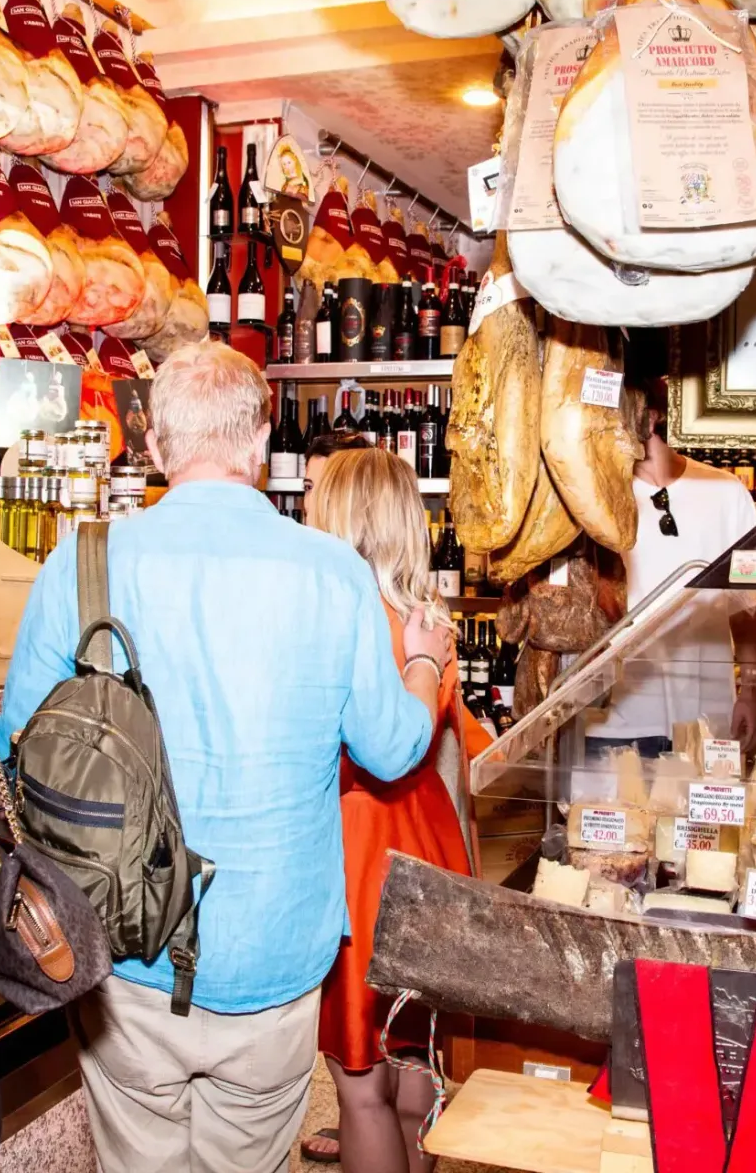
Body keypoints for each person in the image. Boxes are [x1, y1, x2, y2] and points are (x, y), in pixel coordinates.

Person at [0, 342, 451, 1173]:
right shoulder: (332, 572)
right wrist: (421, 667)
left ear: (156, 446)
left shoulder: (81, 563)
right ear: (257, 444)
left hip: (126, 950)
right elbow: (392, 751)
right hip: (273, 959)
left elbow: (11, 752)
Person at [298, 449, 473, 1173]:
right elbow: (454, 760)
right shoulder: (428, 618)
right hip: (431, 844)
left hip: (357, 849)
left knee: (360, 1084)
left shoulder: (332, 615)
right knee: (416, 1056)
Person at [584, 379, 756, 763]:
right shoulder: (599, 502)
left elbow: (747, 606)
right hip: (618, 723)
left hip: (707, 720)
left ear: (651, 418)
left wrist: (750, 691)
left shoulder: (725, 492)